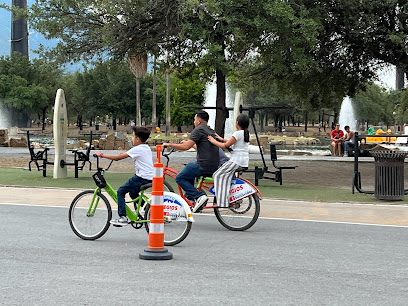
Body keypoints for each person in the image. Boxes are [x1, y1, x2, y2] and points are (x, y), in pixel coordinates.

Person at [95, 126, 153, 226]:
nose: (132, 138)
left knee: (121, 192)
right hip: (150, 177)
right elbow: (133, 154)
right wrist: (125, 153)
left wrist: (101, 155)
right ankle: (150, 212)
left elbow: (117, 158)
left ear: (138, 139)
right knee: (133, 193)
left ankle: (123, 217)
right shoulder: (145, 147)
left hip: (142, 177)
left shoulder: (138, 149)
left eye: (133, 137)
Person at [163, 111, 219, 212]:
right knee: (189, 169)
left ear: (199, 121)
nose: (194, 122)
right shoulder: (210, 130)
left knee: (179, 177)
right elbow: (201, 148)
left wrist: (169, 144)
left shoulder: (198, 130)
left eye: (194, 120)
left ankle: (199, 196)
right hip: (214, 164)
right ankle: (190, 199)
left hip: (203, 165)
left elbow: (185, 147)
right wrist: (190, 143)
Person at [208, 114, 250, 208]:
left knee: (217, 175)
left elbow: (225, 146)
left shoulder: (237, 133)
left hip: (236, 161)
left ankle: (222, 202)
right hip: (243, 161)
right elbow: (233, 142)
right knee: (225, 177)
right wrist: (221, 139)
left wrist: (213, 141)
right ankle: (229, 199)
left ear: (237, 123)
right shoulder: (247, 134)